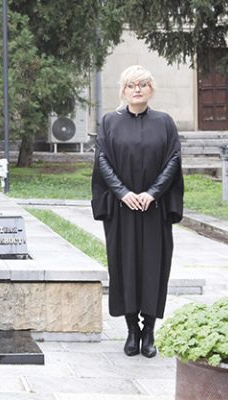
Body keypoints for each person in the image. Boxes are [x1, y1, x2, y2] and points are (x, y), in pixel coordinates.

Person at [91, 65, 184, 359]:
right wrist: (124, 193)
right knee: (125, 266)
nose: (137, 89)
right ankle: (132, 329)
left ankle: (150, 331)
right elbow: (103, 160)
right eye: (131, 85)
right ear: (123, 90)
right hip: (123, 210)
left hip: (154, 210)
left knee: (154, 268)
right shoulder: (110, 122)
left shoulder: (164, 123)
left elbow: (173, 160)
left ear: (151, 89)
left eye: (143, 84)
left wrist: (152, 193)